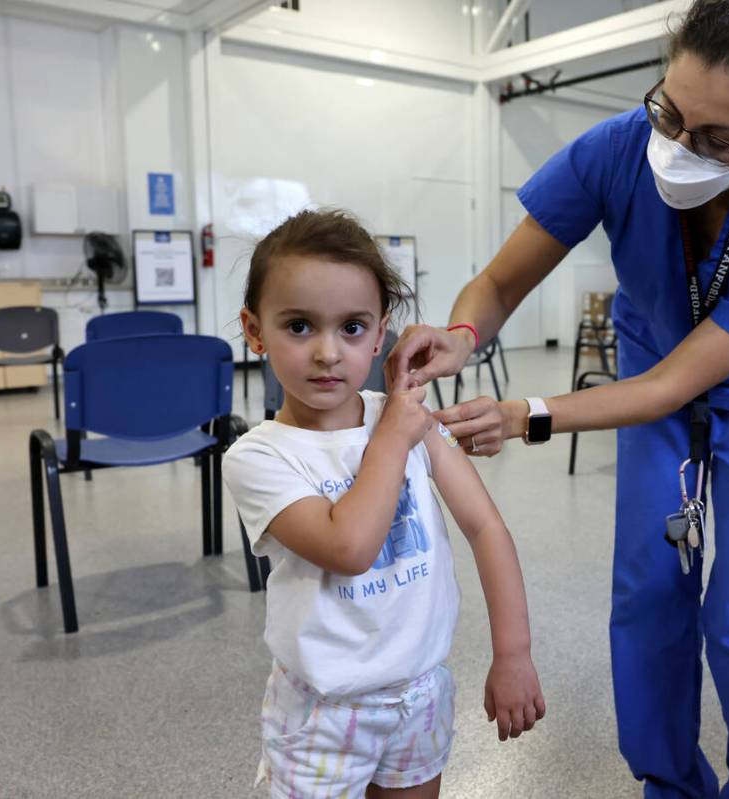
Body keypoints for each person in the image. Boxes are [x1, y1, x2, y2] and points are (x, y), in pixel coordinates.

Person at [388, 2, 729, 796]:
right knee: (649, 581)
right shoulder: (616, 150)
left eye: (715, 139)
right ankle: (667, 780)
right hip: (652, 351)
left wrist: (527, 414)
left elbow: (671, 388)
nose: (675, 146)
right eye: (669, 111)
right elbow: (497, 283)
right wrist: (462, 332)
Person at [223, 209, 545, 799]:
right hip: (322, 711)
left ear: (381, 334)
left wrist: (514, 653)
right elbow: (349, 547)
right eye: (298, 326)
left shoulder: (405, 419)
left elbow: (485, 528)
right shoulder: (260, 457)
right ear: (254, 330)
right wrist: (395, 435)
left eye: (351, 328)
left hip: (420, 692)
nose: (327, 352)